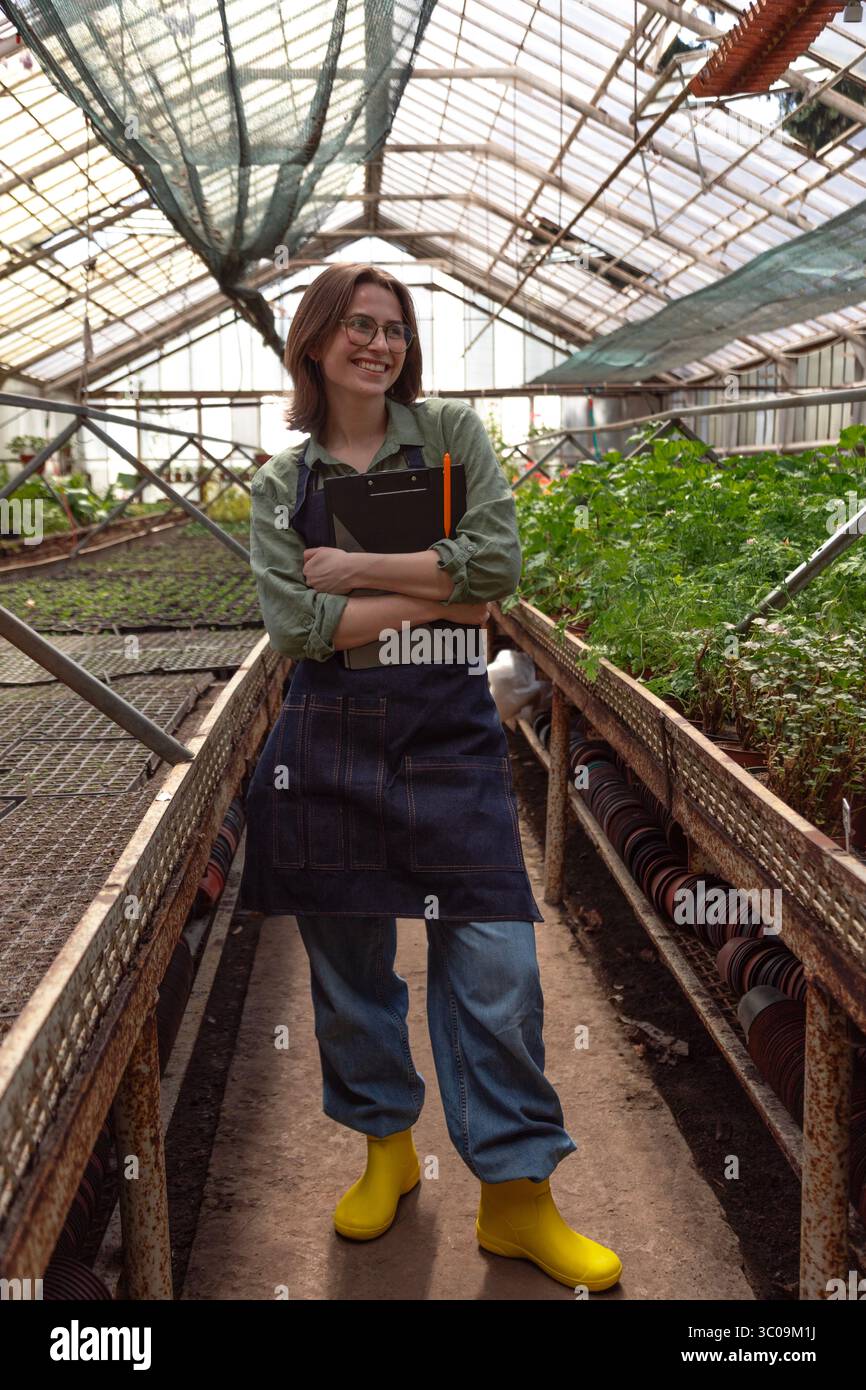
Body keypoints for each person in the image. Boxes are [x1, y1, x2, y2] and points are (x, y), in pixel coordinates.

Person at [240, 262, 622, 1293]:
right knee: (352, 972)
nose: (380, 343)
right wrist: (438, 595)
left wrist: (360, 571)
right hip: (328, 736)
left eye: (394, 328)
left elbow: (496, 571)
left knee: (496, 971)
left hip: (445, 727)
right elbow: (296, 627)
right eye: (358, 326)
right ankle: (386, 1150)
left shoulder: (447, 435)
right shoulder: (283, 485)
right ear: (315, 343)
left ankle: (515, 1199)